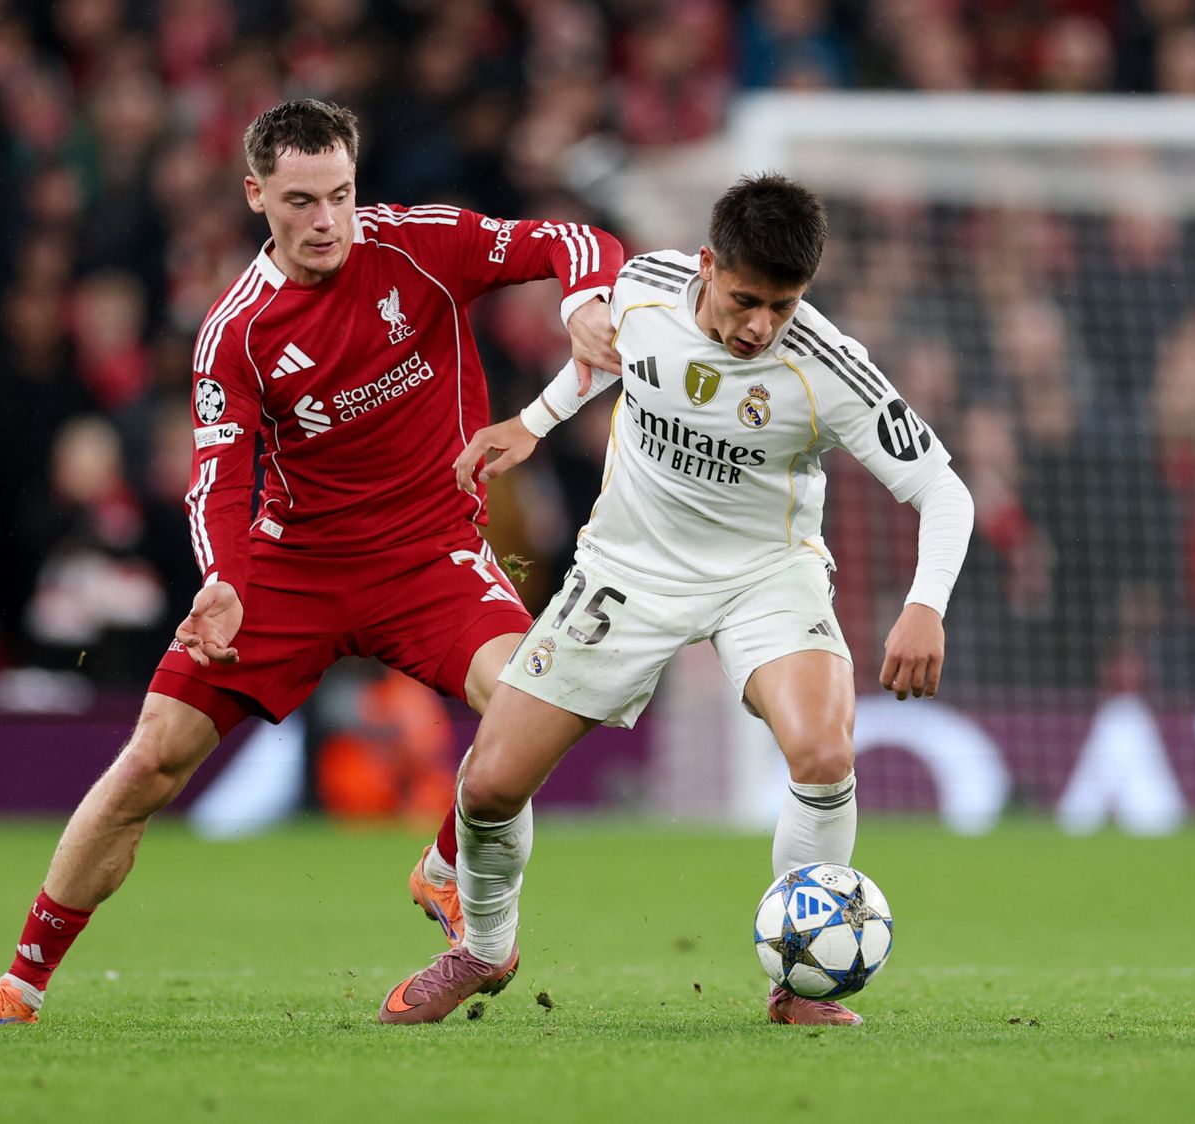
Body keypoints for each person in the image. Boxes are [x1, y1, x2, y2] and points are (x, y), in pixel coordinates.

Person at [0, 98, 623, 1026]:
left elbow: (576, 240)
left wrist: (584, 304)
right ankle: (18, 986)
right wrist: (222, 581)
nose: (327, 220)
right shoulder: (238, 330)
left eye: (340, 195)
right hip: (293, 570)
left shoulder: (421, 244)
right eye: (301, 201)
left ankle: (448, 868)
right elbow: (219, 479)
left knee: (534, 704)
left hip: (431, 555)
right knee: (151, 760)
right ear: (256, 194)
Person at [378, 175, 974, 1028]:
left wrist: (925, 605)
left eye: (782, 306)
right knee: (490, 786)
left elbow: (943, 490)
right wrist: (534, 422)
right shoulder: (644, 287)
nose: (761, 325)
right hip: (627, 570)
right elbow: (607, 358)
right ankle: (484, 949)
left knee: (822, 752)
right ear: (706, 266)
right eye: (745, 300)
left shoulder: (829, 366)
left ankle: (797, 985)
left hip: (765, 575)